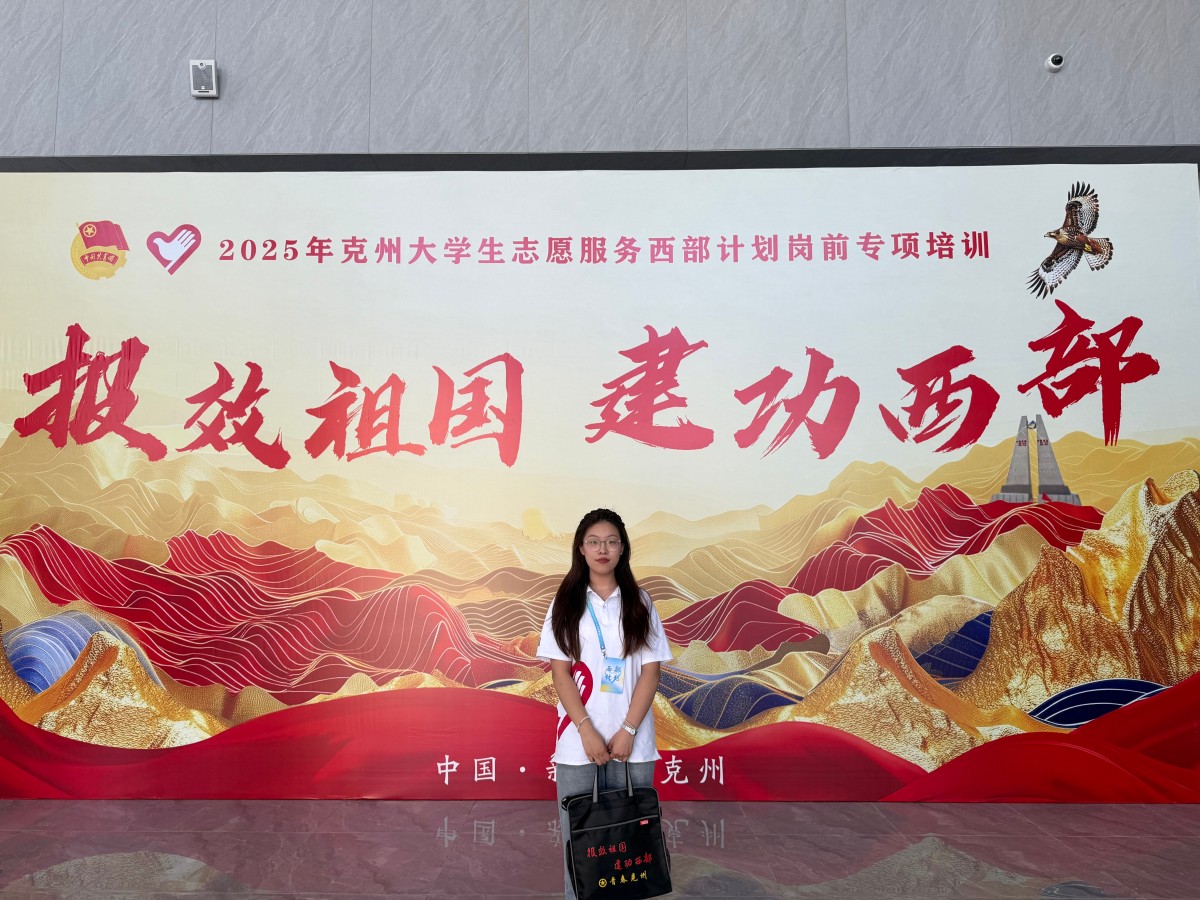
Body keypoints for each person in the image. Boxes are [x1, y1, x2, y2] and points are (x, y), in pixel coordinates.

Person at [537, 508, 673, 900]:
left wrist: (628, 730)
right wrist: (586, 730)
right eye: (594, 542)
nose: (603, 549)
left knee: (632, 842)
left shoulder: (639, 602)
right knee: (580, 843)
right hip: (578, 742)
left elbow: (650, 672)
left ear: (622, 549)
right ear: (581, 548)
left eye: (612, 542)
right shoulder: (565, 603)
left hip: (633, 742)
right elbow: (560, 673)